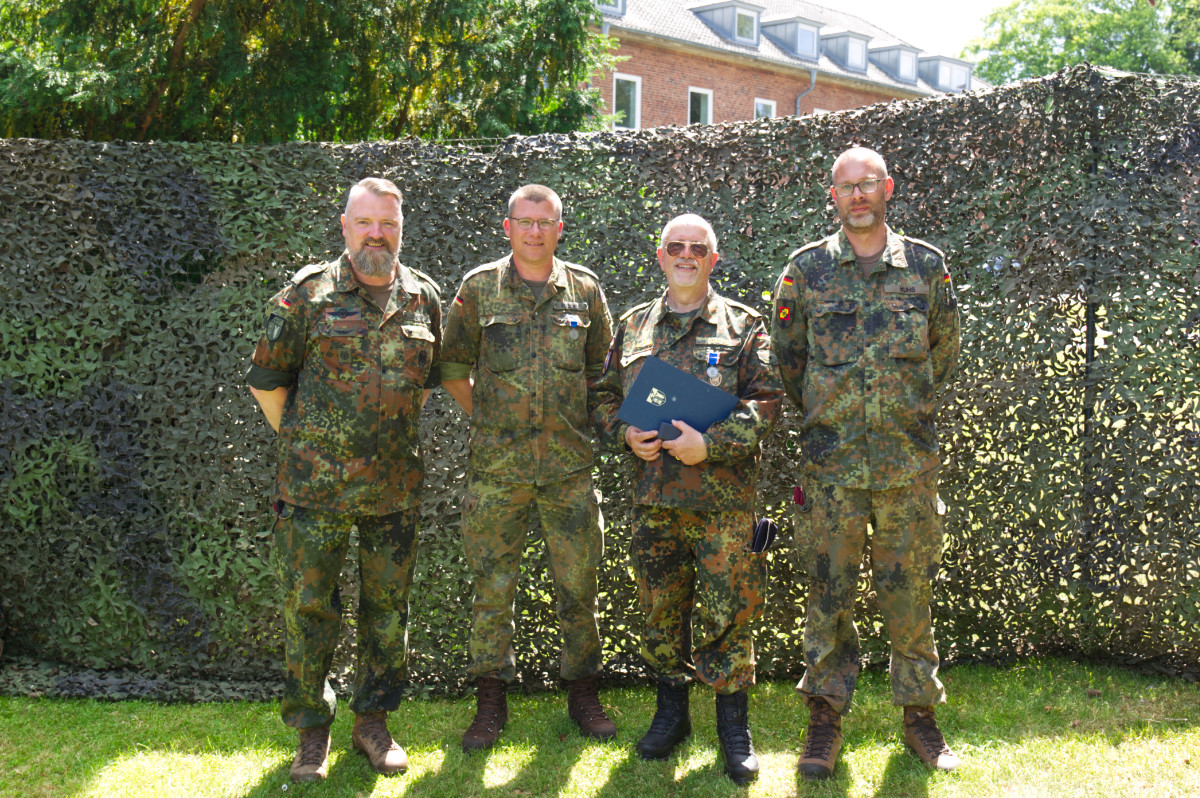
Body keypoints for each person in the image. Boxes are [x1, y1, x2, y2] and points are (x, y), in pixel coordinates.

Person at [770, 146, 962, 779]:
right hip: (832, 469)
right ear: (833, 196)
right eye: (846, 186)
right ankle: (824, 721)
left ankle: (920, 719)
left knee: (910, 595)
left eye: (868, 183)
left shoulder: (928, 268)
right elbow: (790, 364)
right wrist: (834, 417)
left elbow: (942, 353)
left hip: (907, 465)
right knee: (828, 595)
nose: (858, 195)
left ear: (887, 189)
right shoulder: (805, 273)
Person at [246, 177, 441, 782]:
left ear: (401, 229)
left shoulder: (422, 298)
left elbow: (425, 386)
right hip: (313, 492)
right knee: (310, 609)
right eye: (365, 223)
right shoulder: (309, 295)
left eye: (388, 224)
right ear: (345, 227)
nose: (376, 234)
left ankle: (373, 724)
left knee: (388, 612)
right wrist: (306, 447)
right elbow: (265, 380)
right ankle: (311, 731)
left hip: (393, 491)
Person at [592, 214, 783, 785]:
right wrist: (624, 434)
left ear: (713, 260)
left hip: (724, 505)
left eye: (698, 248)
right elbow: (601, 399)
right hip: (655, 503)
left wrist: (714, 443)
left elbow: (770, 402)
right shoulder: (631, 327)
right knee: (660, 612)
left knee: (731, 614)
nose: (686, 255)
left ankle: (733, 728)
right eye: (675, 246)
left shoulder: (745, 327)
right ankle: (671, 716)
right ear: (660, 255)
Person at [440, 184, 617, 751]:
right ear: (508, 226)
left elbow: (602, 374)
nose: (535, 231)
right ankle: (490, 701)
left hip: (569, 470)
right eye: (525, 221)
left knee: (579, 587)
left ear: (559, 228)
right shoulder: (478, 289)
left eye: (546, 222)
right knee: (492, 588)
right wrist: (488, 420)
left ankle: (584, 694)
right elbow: (451, 368)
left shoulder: (585, 291)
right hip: (497, 471)